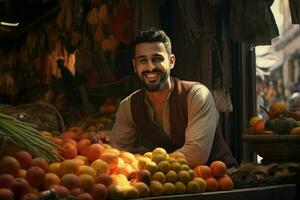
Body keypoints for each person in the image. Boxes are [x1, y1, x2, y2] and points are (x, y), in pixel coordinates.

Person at [110, 29, 237, 168]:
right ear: (135, 66)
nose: (150, 67)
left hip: (218, 183)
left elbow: (196, 155)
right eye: (143, 60)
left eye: (157, 59)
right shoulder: (129, 106)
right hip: (166, 186)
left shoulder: (196, 95)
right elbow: (116, 155)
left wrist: (144, 162)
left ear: (171, 61)